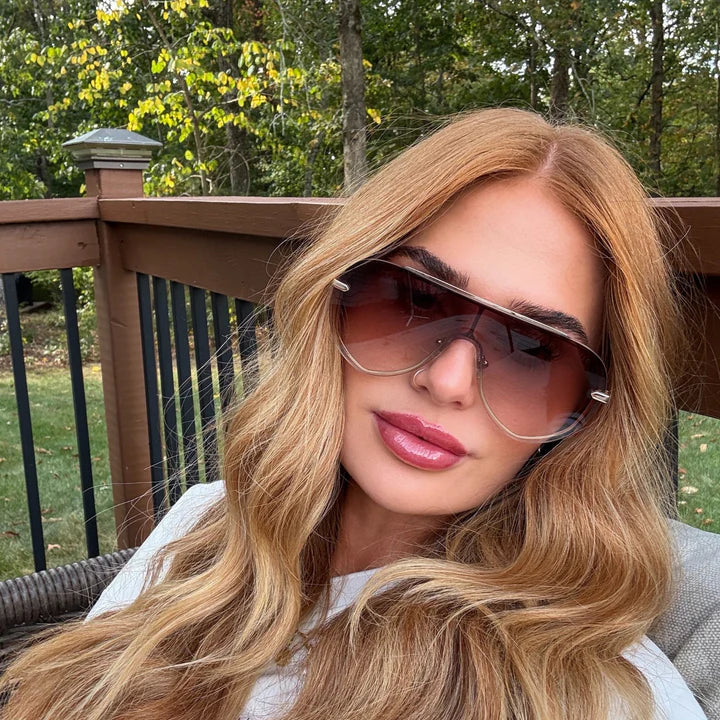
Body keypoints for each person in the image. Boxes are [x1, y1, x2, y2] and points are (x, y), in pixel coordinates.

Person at [0, 108, 710, 720]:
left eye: (533, 348)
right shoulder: (204, 524)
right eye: (415, 299)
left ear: (588, 407)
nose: (448, 380)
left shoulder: (596, 692)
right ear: (332, 300)